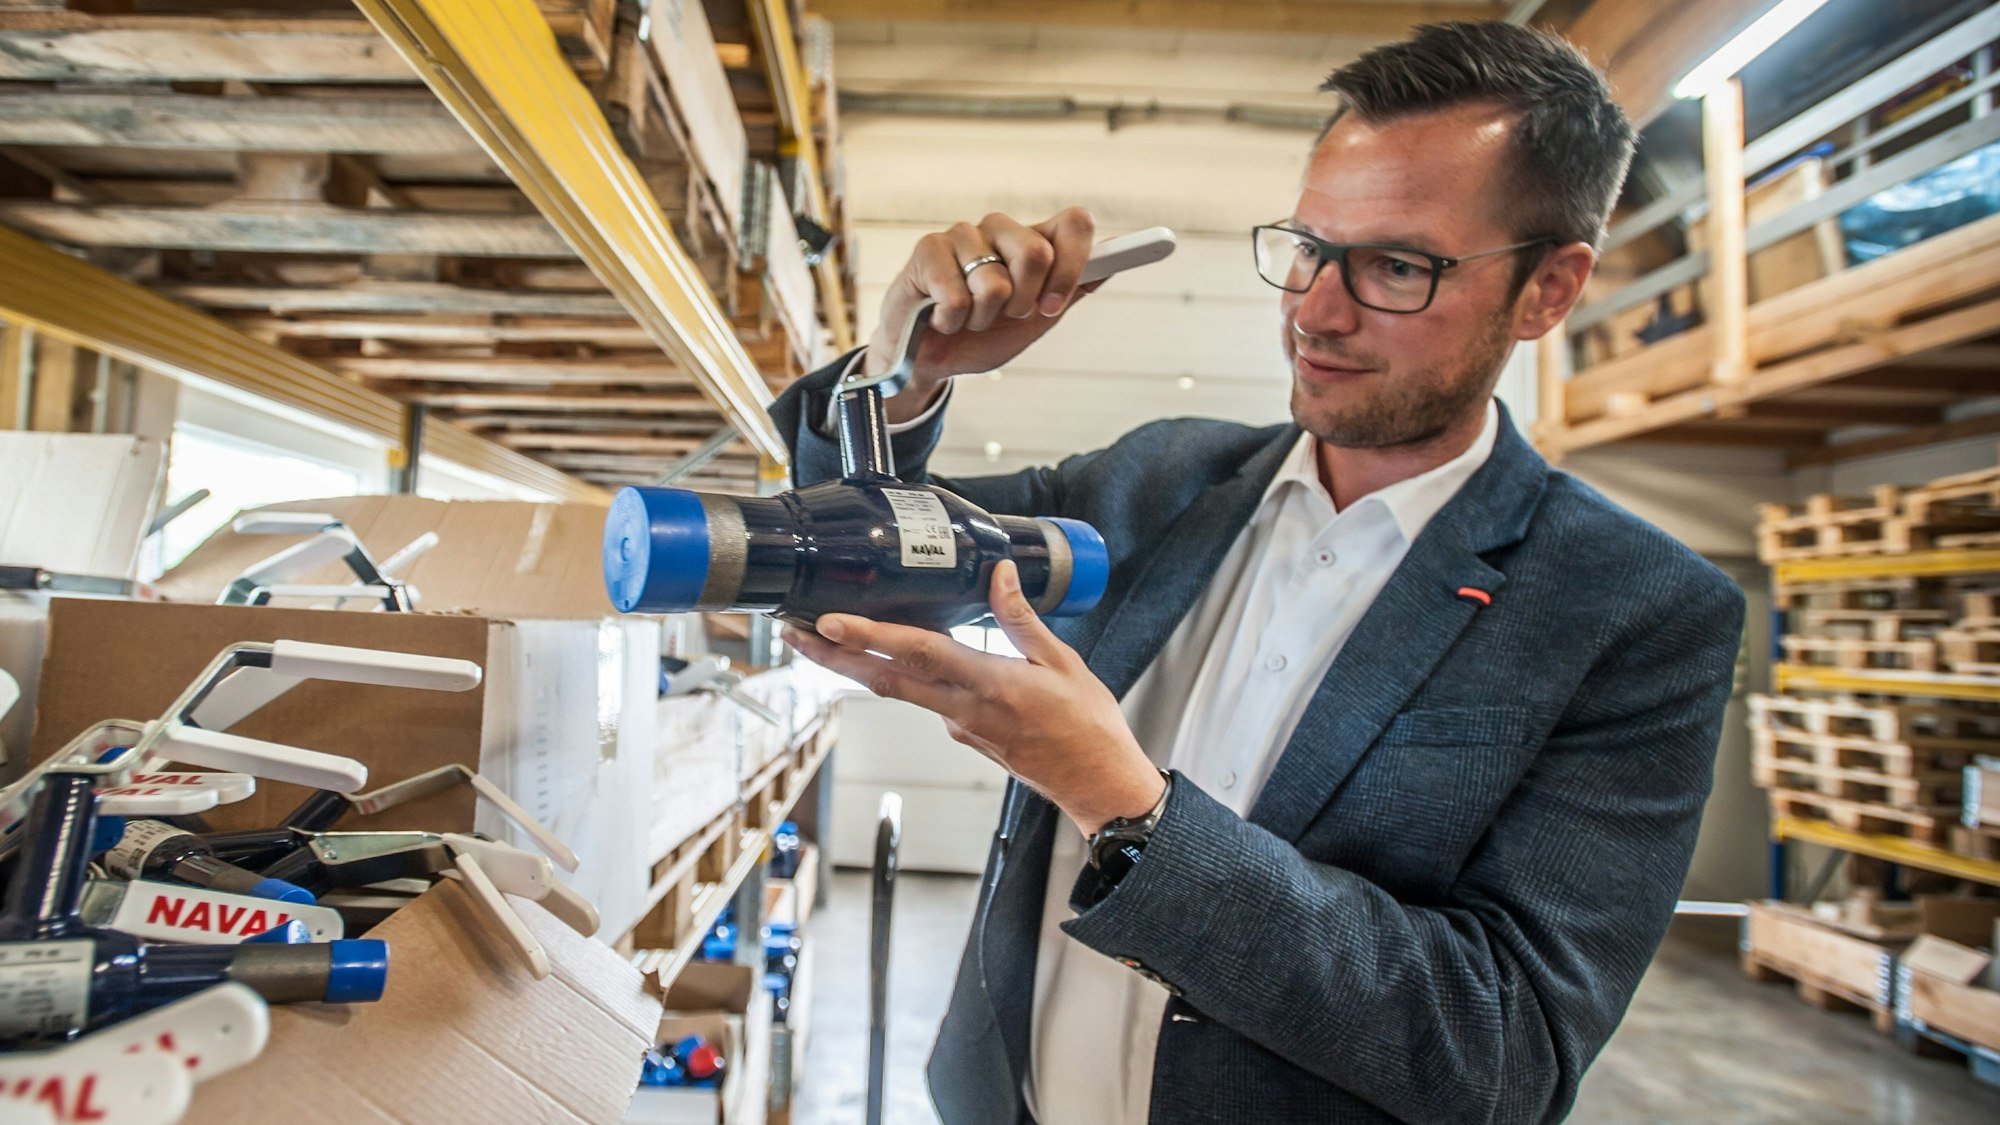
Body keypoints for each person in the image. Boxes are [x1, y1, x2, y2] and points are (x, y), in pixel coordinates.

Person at [773, 20, 1745, 1125]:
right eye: (1307, 249)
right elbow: (847, 572)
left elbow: (1499, 1053)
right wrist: (898, 382)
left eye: (1395, 267)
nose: (1313, 314)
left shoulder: (1632, 613)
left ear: (1547, 289)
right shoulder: (1159, 479)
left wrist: (1123, 805)